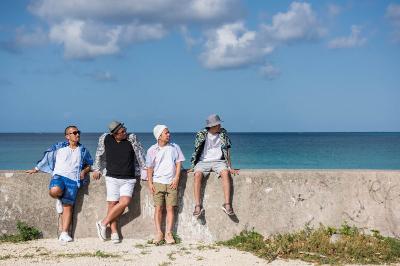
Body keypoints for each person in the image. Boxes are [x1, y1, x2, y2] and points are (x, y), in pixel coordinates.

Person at [26, 125, 93, 242]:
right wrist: (36, 168)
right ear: (67, 136)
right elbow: (47, 157)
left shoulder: (83, 150)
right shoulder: (59, 147)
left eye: (78, 132)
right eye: (74, 133)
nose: (78, 134)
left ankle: (64, 233)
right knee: (54, 190)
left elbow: (89, 164)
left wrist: (84, 171)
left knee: (68, 207)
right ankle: (58, 198)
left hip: (73, 180)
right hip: (59, 176)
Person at [92, 121, 146, 243]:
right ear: (114, 135)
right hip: (111, 177)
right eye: (122, 132)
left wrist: (145, 169)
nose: (125, 132)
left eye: (124, 129)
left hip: (128, 178)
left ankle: (103, 223)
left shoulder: (132, 138)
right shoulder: (105, 138)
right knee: (112, 205)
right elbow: (99, 153)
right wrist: (97, 168)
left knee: (124, 202)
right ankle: (114, 232)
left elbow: (140, 154)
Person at [189, 114, 239, 218]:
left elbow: (227, 149)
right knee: (197, 175)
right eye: (218, 124)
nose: (220, 126)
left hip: (219, 161)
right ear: (212, 126)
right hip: (203, 162)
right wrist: (193, 165)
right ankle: (198, 206)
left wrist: (230, 167)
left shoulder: (223, 133)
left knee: (225, 173)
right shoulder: (201, 134)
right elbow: (196, 150)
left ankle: (227, 204)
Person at [146, 125, 185, 244]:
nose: (169, 134)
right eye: (166, 133)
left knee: (170, 209)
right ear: (159, 136)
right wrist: (150, 183)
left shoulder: (174, 147)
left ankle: (168, 233)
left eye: (168, 132)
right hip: (158, 182)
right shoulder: (152, 150)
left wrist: (176, 178)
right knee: (158, 208)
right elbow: (149, 168)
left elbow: (178, 163)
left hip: (171, 183)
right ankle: (159, 233)